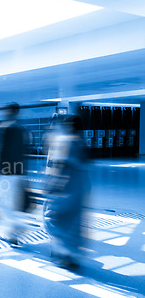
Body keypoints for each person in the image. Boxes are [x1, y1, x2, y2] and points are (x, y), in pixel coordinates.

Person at [44, 115, 90, 270]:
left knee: (52, 218)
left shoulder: (66, 141)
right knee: (74, 221)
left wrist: (52, 185)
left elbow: (61, 166)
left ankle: (62, 253)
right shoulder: (80, 142)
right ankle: (72, 255)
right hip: (81, 185)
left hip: (67, 186)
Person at [0, 102, 30, 247]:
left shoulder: (3, 128)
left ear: (9, 112)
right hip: (18, 173)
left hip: (4, 173)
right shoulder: (22, 130)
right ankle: (10, 235)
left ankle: (15, 225)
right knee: (11, 205)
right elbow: (25, 153)